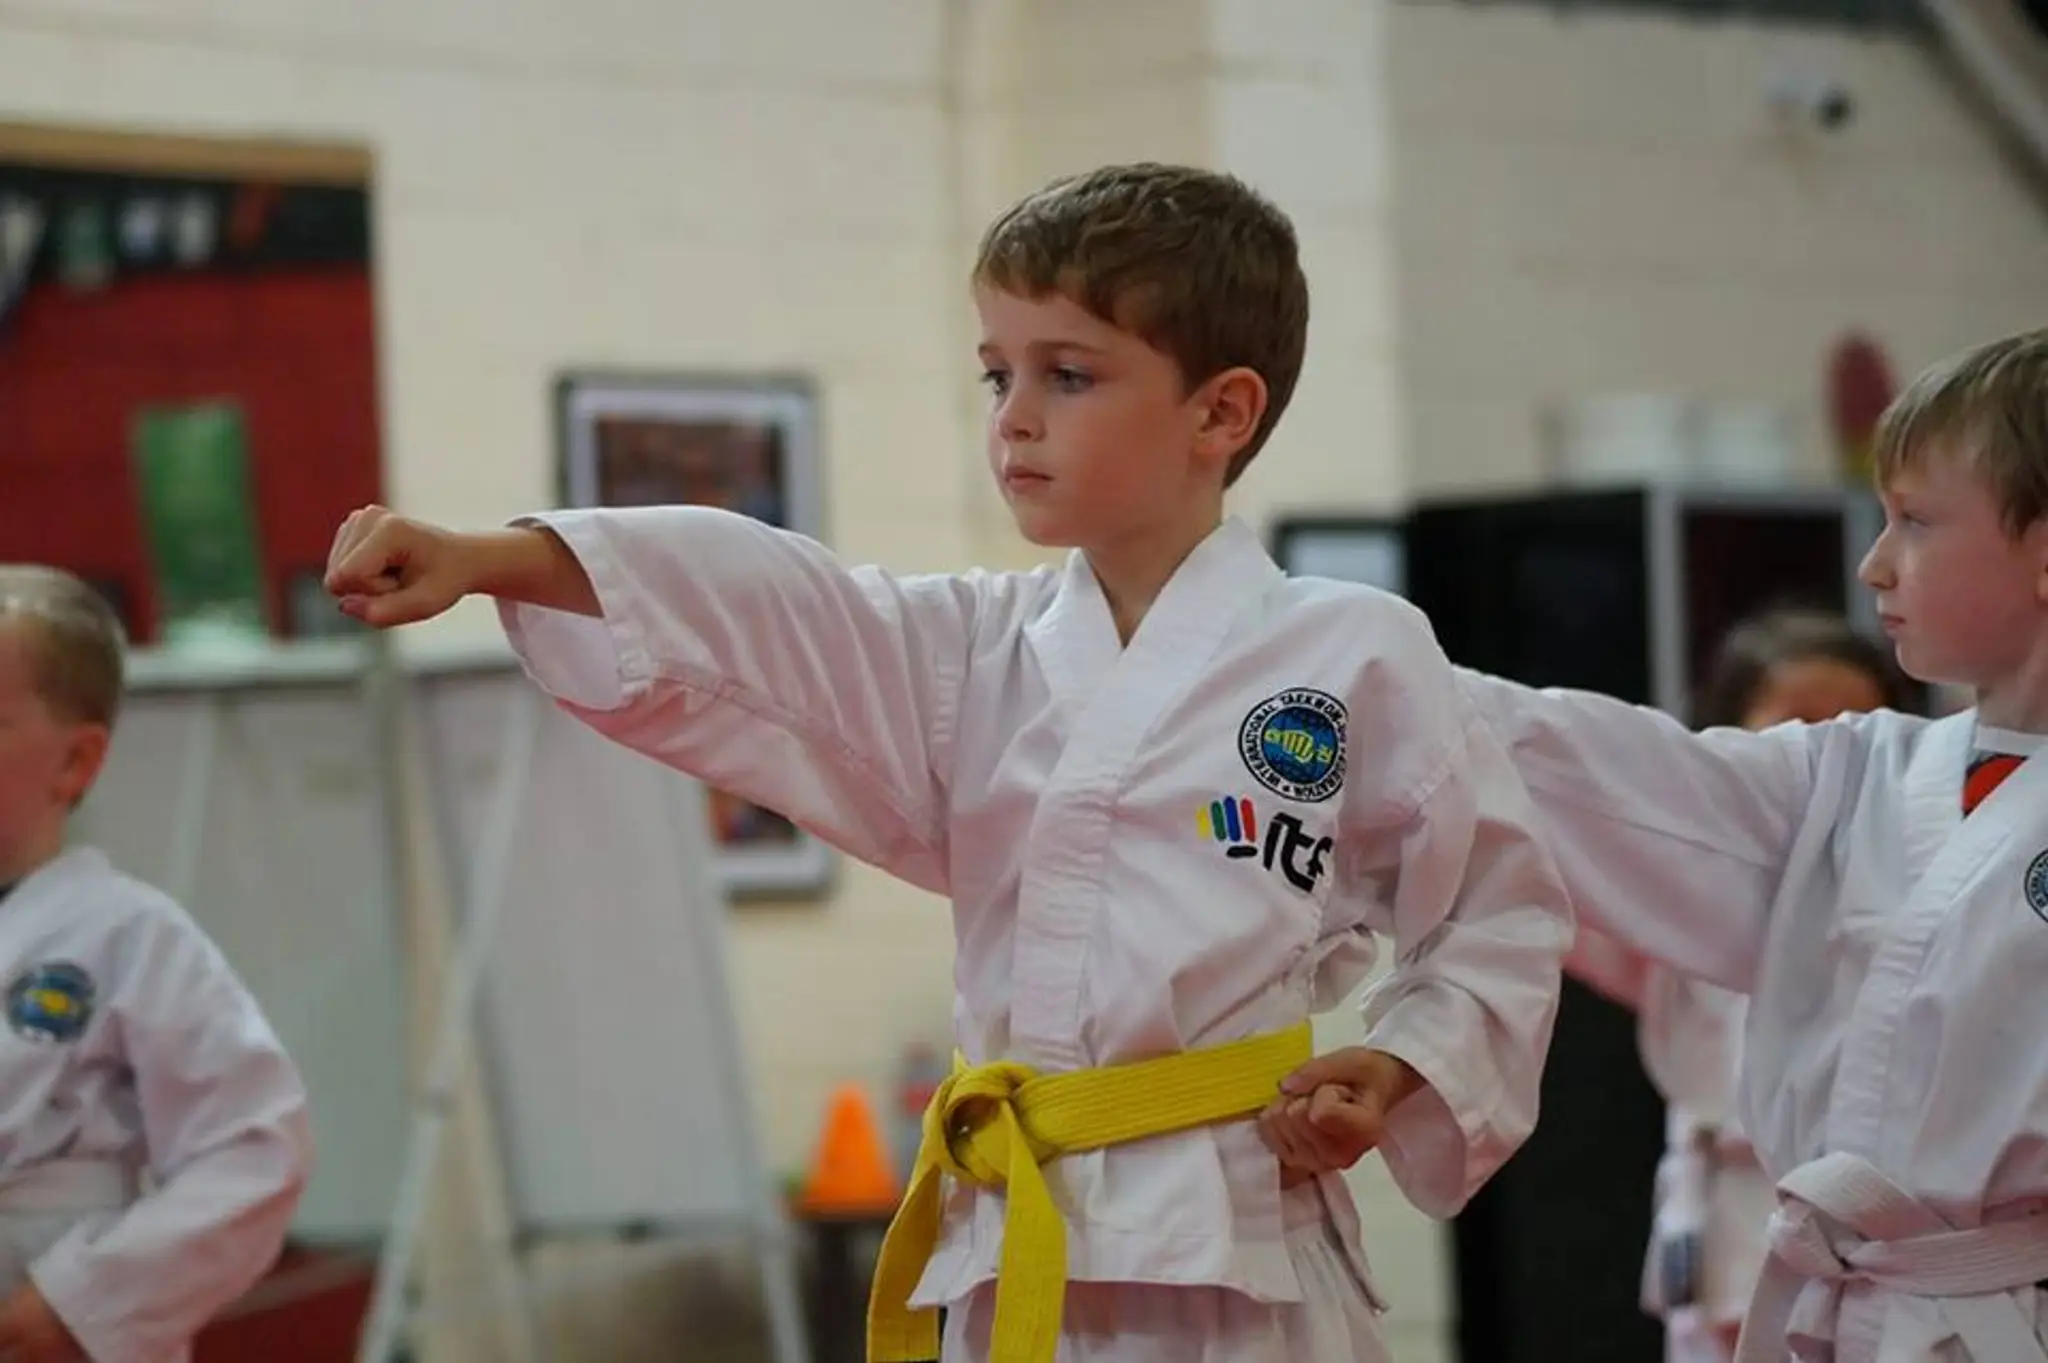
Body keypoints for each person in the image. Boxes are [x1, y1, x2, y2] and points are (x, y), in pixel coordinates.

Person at [323, 162, 1573, 1363]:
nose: (1016, 419)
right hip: (1009, 1232)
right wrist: (499, 558)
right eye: (996, 376)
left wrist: (1400, 1060)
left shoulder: (1349, 651)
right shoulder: (975, 648)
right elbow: (776, 600)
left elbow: (1495, 906)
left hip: (1233, 1238)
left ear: (1221, 410)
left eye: (1068, 375)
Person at [1265, 328, 2048, 1363]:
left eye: (1913, 520)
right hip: (1831, 1310)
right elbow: (1595, 767)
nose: (1872, 561)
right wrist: (1329, 663)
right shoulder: (1850, 775)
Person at [1564, 611, 1920, 1363]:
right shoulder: (1677, 890)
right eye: (1797, 725)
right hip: (1721, 1204)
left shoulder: (1931, 889)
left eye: (1857, 724)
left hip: (1882, 1221)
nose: (1828, 750)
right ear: (1724, 739)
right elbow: (1551, 888)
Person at [0, 565, 313, 1363]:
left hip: (42, 1307)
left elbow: (255, 1146)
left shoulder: (125, 932)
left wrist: (82, 1302)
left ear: (74, 762)